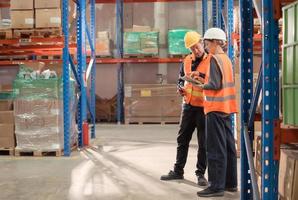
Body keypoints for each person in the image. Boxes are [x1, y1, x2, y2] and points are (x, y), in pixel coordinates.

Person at [160, 31, 210, 186]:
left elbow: (213, 82)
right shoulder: (186, 61)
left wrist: (200, 76)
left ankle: (200, 174)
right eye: (192, 49)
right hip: (188, 106)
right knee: (182, 139)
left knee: (203, 143)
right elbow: (181, 79)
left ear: (202, 42)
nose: (196, 50)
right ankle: (178, 170)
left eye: (197, 47)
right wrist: (180, 87)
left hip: (203, 107)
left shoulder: (211, 61)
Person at [193, 28, 238, 197]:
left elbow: (215, 85)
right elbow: (219, 80)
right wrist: (203, 77)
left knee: (215, 149)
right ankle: (230, 183)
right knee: (228, 147)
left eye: (206, 42)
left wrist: (199, 85)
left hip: (214, 109)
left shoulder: (213, 59)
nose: (205, 46)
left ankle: (216, 187)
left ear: (215, 42)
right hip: (226, 108)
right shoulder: (225, 59)